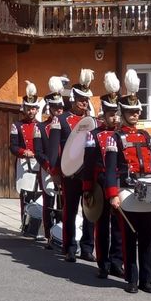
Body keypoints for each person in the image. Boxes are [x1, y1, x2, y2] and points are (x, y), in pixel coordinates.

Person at [105, 70, 151, 294]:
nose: (135, 115)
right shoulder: (115, 138)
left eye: (136, 111)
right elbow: (110, 169)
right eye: (130, 112)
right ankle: (131, 278)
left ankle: (146, 280)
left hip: (148, 190)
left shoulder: (147, 137)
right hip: (127, 191)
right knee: (129, 237)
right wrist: (112, 194)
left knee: (148, 238)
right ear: (122, 112)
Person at [48, 68, 96, 262]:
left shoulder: (92, 121)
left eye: (87, 100)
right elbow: (53, 150)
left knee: (90, 211)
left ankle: (87, 248)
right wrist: (55, 172)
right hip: (69, 173)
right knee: (70, 210)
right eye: (81, 99)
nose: (84, 103)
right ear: (73, 98)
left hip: (88, 173)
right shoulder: (60, 120)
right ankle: (69, 247)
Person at [82, 72, 123, 279]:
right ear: (103, 115)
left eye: (117, 114)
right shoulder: (93, 134)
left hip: (118, 183)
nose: (115, 118)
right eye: (111, 115)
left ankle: (117, 261)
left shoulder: (122, 134)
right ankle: (103, 263)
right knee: (101, 223)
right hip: (99, 183)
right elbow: (88, 163)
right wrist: (87, 187)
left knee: (119, 225)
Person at [34, 77, 65, 248]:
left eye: (60, 107)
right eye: (55, 107)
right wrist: (51, 169)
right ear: (49, 108)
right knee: (49, 201)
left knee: (65, 203)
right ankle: (48, 235)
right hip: (48, 169)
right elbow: (39, 153)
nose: (58, 110)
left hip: (65, 169)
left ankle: (62, 233)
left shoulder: (68, 126)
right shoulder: (40, 128)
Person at [10, 81, 41, 236]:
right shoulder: (17, 125)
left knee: (39, 195)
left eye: (33, 108)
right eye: (29, 108)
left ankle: (37, 226)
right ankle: (26, 224)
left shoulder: (41, 126)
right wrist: (24, 152)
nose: (31, 111)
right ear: (25, 109)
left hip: (38, 162)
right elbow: (13, 147)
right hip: (24, 162)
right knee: (26, 195)